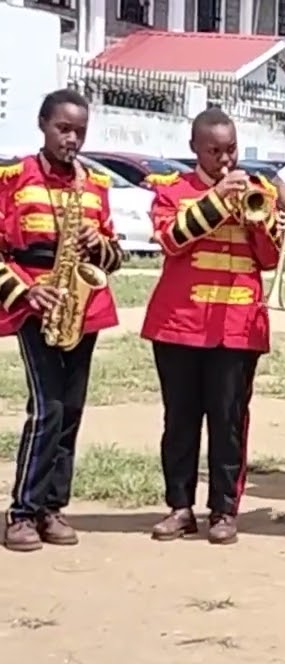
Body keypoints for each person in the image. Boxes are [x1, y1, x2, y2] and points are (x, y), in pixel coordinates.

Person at [142, 108, 281, 545]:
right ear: (195, 150)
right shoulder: (173, 191)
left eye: (231, 149)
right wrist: (218, 200)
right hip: (179, 324)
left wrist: (256, 221)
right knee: (180, 420)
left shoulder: (258, 192)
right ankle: (180, 507)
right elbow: (170, 240)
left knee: (229, 420)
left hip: (237, 326)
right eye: (214, 151)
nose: (225, 159)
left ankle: (224, 510)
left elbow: (271, 258)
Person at [0, 89, 124, 552]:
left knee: (70, 411)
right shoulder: (12, 177)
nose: (72, 139)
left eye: (80, 131)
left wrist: (99, 245)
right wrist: (26, 290)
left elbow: (114, 257)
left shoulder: (94, 184)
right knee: (47, 407)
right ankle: (23, 511)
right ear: (42, 124)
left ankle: (53, 507)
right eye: (64, 128)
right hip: (34, 302)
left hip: (81, 304)